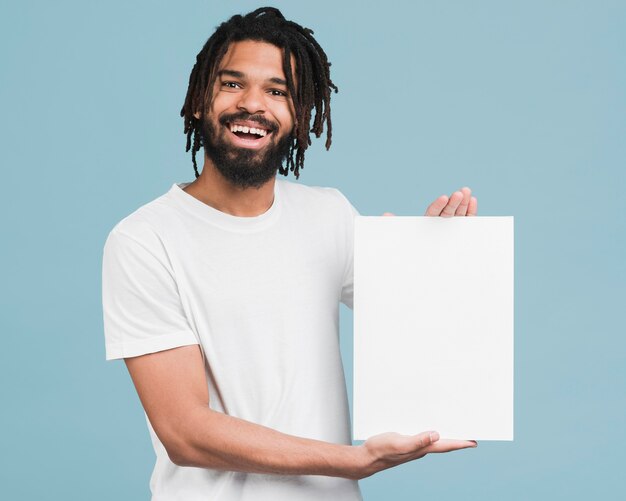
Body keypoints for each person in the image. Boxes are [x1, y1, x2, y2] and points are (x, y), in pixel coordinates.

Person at [102, 7, 478, 500]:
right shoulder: (144, 240)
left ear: (298, 115)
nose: (253, 104)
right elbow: (184, 431)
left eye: (277, 91)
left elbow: (418, 321)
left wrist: (434, 259)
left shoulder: (331, 213)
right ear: (198, 100)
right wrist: (355, 460)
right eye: (232, 84)